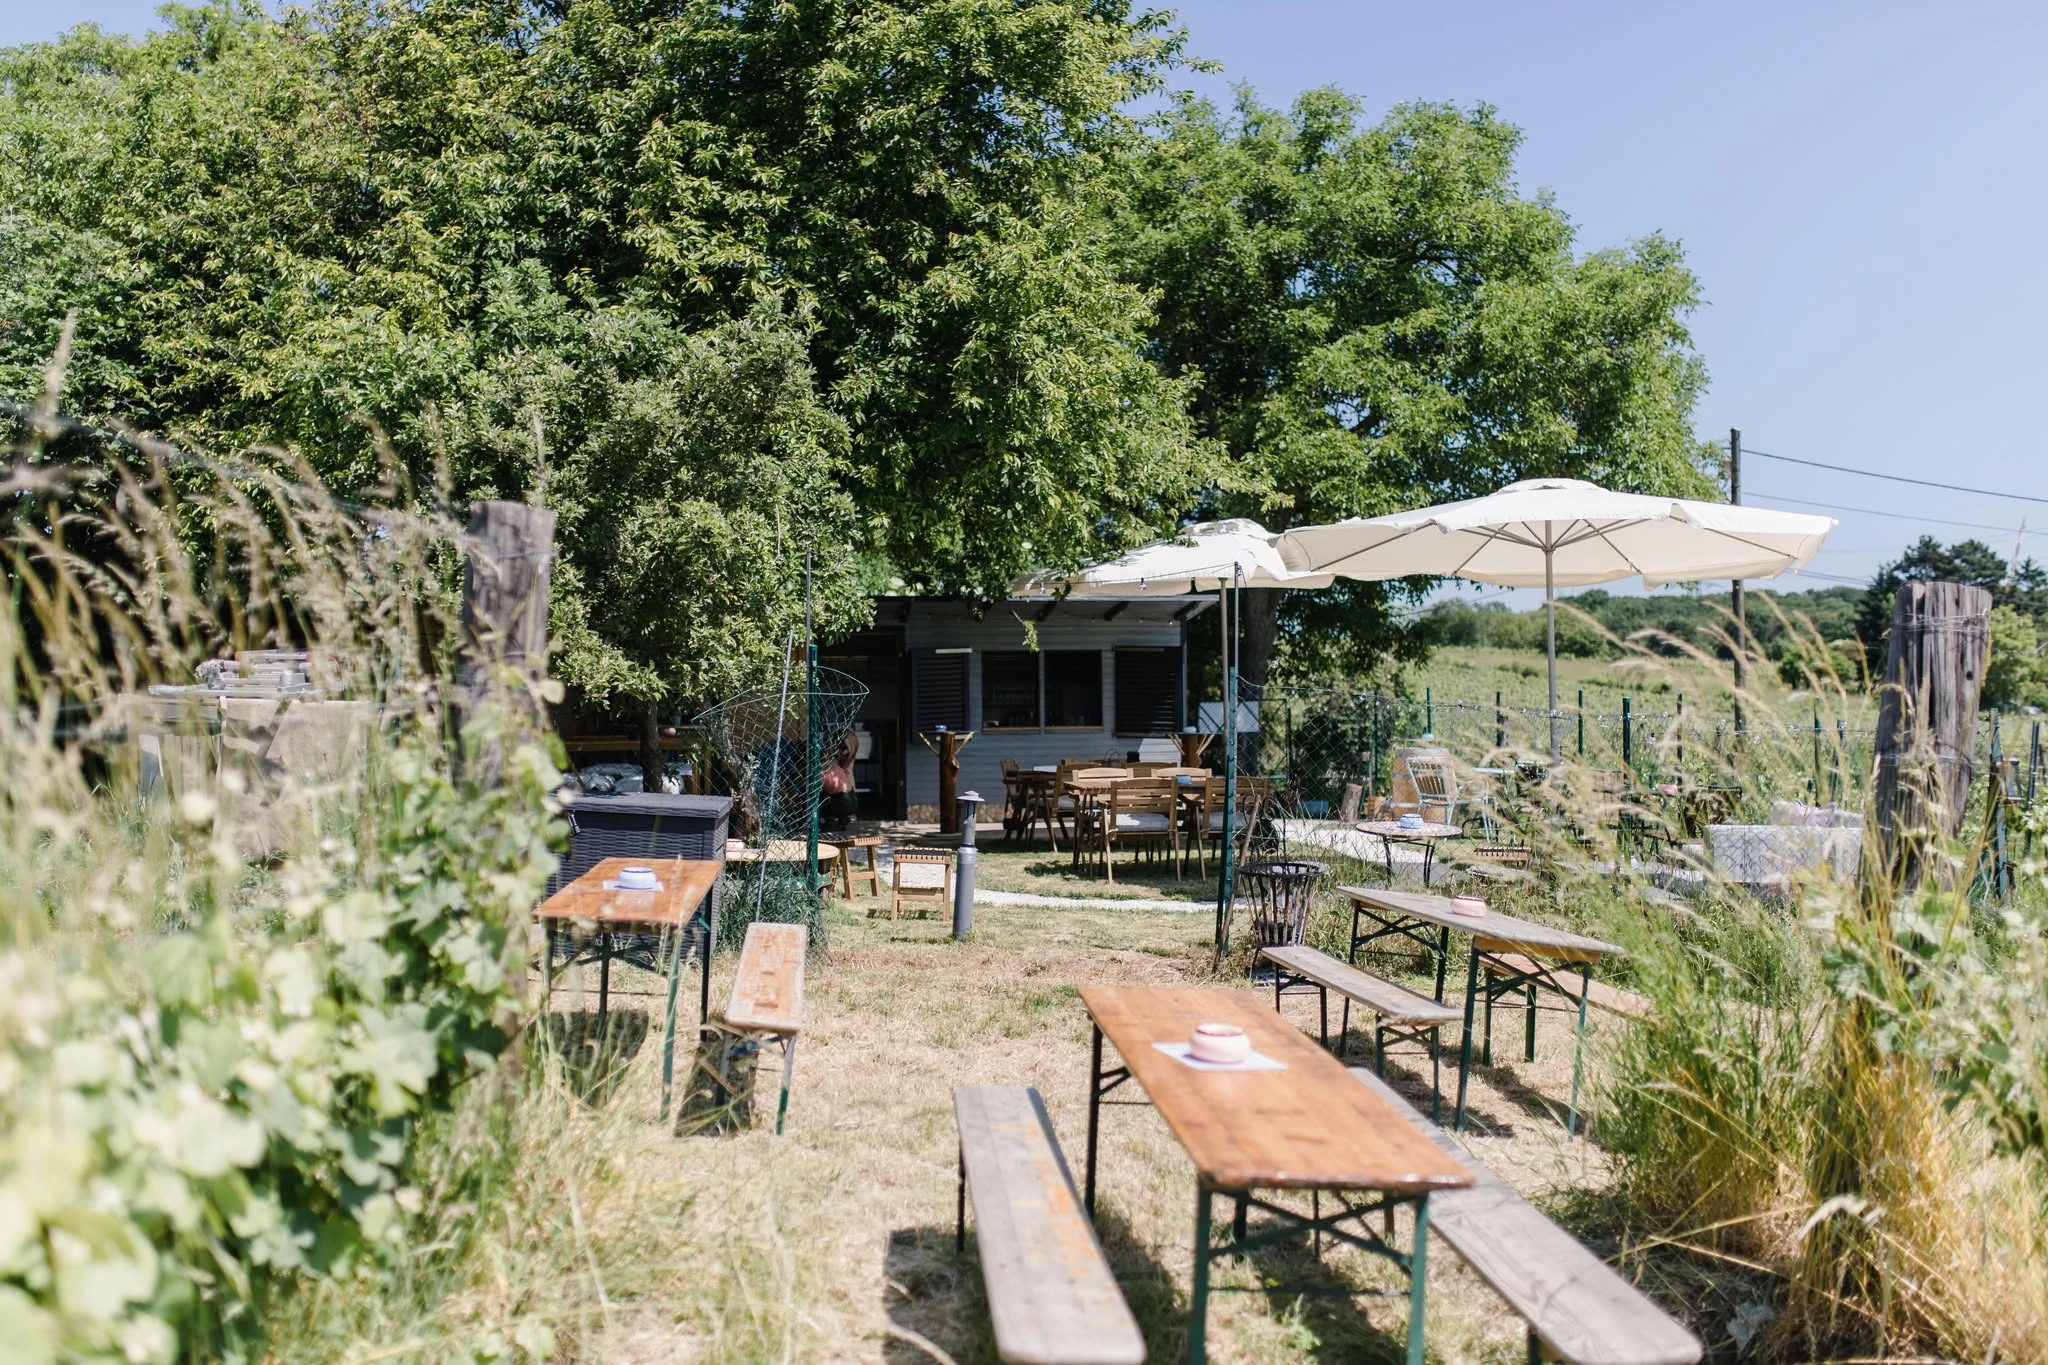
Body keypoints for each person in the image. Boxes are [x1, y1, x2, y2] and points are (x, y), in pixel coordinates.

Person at [820, 730, 859, 831]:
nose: (843, 752)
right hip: (850, 799)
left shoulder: (828, 768)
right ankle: (842, 817)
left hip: (844, 799)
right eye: (840, 748)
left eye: (844, 749)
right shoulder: (835, 767)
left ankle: (832, 819)